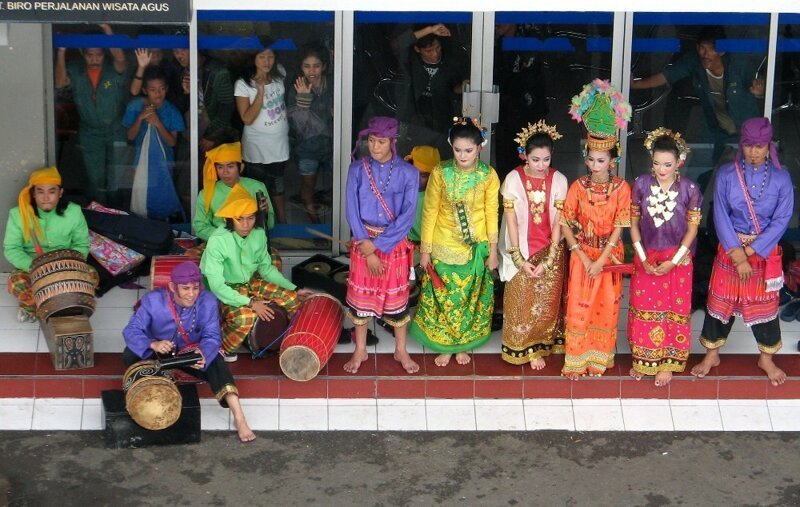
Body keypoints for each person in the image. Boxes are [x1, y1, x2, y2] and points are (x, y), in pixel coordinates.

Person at [691, 117, 794, 386]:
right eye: (748, 145)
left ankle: (766, 358)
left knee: (764, 307)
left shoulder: (782, 179)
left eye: (759, 146)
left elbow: (782, 219)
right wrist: (736, 252)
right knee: (719, 304)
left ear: (768, 145)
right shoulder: (726, 174)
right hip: (730, 250)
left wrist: (752, 252)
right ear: (742, 145)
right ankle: (712, 354)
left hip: (762, 254)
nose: (754, 151)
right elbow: (720, 215)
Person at [121, 261, 256, 443]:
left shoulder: (207, 300)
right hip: (159, 354)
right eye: (185, 288)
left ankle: (239, 417)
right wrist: (153, 344)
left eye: (195, 287)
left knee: (215, 360)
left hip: (190, 355)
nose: (191, 294)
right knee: (130, 353)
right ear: (172, 287)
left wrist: (203, 354)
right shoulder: (153, 301)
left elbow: (212, 336)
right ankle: (149, 396)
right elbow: (131, 330)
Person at [409, 117, 500, 367]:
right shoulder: (441, 172)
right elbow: (429, 212)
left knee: (469, 299)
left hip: (474, 247)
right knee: (442, 299)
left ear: (479, 148)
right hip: (442, 244)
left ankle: (462, 345)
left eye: (469, 150)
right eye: (458, 150)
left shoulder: (488, 175)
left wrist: (493, 250)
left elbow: (492, 213)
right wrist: (425, 250)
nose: (462, 155)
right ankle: (444, 345)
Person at [560, 80, 632, 379]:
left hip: (608, 256)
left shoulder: (621, 188)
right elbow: (565, 221)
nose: (594, 164)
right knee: (578, 306)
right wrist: (581, 254)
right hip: (581, 253)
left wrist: (601, 260)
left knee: (605, 306)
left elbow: (620, 225)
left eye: (601, 160)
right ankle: (576, 361)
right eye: (590, 159)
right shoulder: (578, 186)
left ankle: (598, 359)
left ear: (613, 160)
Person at [199, 184, 312, 361]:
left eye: (251, 218)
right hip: (225, 290)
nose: (246, 225)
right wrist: (252, 303)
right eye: (240, 219)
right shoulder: (217, 241)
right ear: (229, 219)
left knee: (292, 299)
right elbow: (216, 286)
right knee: (245, 319)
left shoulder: (258, 234)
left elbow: (266, 269)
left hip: (250, 282)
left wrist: (295, 288)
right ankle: (224, 346)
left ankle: (289, 341)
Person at [343, 117, 419, 374]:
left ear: (393, 142)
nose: (375, 146)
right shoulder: (356, 169)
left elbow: (407, 217)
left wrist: (378, 248)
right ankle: (360, 350)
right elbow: (351, 209)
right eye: (371, 141)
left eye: (381, 142)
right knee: (361, 299)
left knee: (398, 299)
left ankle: (401, 350)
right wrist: (365, 244)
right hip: (363, 241)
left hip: (393, 243)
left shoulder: (409, 172)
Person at [628, 128, 703, 387]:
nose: (662, 169)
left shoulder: (690, 189)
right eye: (657, 163)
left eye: (668, 164)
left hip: (678, 260)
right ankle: (643, 359)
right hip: (646, 255)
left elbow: (692, 229)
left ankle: (668, 363)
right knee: (644, 309)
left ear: (679, 161)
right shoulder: (640, 184)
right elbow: (633, 223)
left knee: (673, 310)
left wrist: (675, 260)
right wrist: (642, 257)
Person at [631, 26, 763, 166]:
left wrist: (760, 91)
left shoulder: (739, 65)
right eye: (702, 48)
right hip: (715, 128)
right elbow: (666, 76)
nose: (705, 54)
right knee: (699, 169)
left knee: (748, 172)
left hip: (745, 129)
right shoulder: (694, 61)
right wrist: (634, 85)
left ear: (722, 51)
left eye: (711, 49)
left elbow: (761, 84)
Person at [498, 121, 568, 370]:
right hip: (520, 250)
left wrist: (550, 257)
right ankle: (521, 346)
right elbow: (512, 222)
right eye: (535, 159)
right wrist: (517, 257)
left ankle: (540, 344)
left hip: (551, 249)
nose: (541, 165)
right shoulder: (513, 179)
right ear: (524, 156)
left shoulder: (559, 179)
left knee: (546, 301)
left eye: (546, 159)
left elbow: (560, 221)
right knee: (520, 301)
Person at [54, 24, 129, 206]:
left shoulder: (113, 68)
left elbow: (120, 58)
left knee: (117, 176)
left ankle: (117, 215)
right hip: (90, 132)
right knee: (94, 177)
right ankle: (98, 214)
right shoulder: (76, 69)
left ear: (104, 53)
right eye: (89, 54)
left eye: (98, 54)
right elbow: (59, 82)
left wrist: (107, 28)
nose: (94, 59)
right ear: (82, 53)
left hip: (116, 129)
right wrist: (62, 51)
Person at [3, 167, 91, 322]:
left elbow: (82, 244)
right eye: (40, 191)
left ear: (60, 193)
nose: (46, 197)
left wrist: (67, 267)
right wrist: (36, 267)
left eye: (51, 191)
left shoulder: (74, 212)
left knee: (91, 276)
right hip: (32, 266)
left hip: (65, 266)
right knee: (17, 282)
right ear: (33, 194)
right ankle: (32, 306)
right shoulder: (18, 214)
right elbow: (11, 248)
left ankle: (61, 303)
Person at [393, 24, 469, 157]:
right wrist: (430, 30)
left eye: (437, 47)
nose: (435, 53)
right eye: (428, 51)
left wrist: (462, 88)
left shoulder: (451, 61)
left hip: (442, 121)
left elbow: (453, 91)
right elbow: (397, 45)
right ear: (417, 49)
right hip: (414, 121)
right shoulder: (410, 61)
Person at [235, 41, 290, 224]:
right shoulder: (243, 84)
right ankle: (257, 226)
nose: (267, 61)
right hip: (256, 148)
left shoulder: (280, 73)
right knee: (256, 191)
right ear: (254, 58)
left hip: (279, 145)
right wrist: (260, 92)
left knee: (278, 189)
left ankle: (282, 224)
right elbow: (247, 119)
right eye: (262, 56)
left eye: (270, 56)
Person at [122, 66, 185, 219]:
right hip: (139, 163)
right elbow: (130, 136)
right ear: (144, 90)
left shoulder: (172, 111)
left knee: (162, 200)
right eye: (153, 90)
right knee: (140, 202)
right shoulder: (135, 107)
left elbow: (172, 142)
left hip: (164, 164)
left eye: (162, 89)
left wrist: (158, 123)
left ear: (167, 89)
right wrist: (140, 118)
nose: (158, 94)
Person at [191, 141, 275, 246]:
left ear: (241, 167)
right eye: (220, 167)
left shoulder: (257, 187)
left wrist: (264, 214)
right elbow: (200, 227)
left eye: (230, 166)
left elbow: (270, 224)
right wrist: (227, 239)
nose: (225, 172)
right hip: (220, 244)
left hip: (252, 243)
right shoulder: (207, 193)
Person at [286, 43, 334, 224]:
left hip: (333, 145)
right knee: (308, 184)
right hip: (307, 147)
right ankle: (314, 221)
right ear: (301, 67)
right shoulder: (296, 88)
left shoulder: (333, 85)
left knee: (339, 182)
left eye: (316, 66)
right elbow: (299, 127)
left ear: (324, 66)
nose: (311, 71)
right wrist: (304, 99)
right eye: (307, 66)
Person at [405, 145, 440, 245]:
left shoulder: (438, 196)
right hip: (407, 244)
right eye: (414, 172)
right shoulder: (402, 192)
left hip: (431, 246)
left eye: (424, 175)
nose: (417, 178)